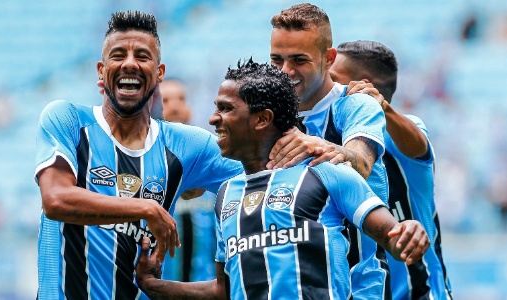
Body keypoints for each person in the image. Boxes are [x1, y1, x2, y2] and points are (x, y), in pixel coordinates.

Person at [134, 59, 430, 300]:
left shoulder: (326, 173)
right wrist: (154, 286)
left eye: (225, 108)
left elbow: (393, 237)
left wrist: (408, 232)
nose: (213, 119)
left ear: (262, 119)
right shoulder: (226, 194)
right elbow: (224, 290)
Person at [34, 11, 245, 299]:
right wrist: (147, 209)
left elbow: (261, 171)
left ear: (159, 73)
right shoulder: (67, 120)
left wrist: (311, 143)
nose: (130, 63)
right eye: (118, 55)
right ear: (101, 70)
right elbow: (56, 199)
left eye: (142, 56)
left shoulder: (187, 146)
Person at [266, 3, 391, 299]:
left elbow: (361, 162)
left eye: (299, 60)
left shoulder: (356, 105)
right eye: (276, 60)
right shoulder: (266, 118)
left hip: (356, 289)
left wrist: (321, 145)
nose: (285, 72)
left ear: (328, 58)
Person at [330, 40, 453, 299]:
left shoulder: (399, 134)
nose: (327, 87)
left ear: (364, 84)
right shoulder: (335, 142)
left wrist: (380, 107)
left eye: (333, 78)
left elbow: (418, 144)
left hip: (422, 293)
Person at [158, 78, 217, 282]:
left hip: (206, 288)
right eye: (165, 100)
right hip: (157, 288)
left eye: (180, 99)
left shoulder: (211, 166)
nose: (174, 106)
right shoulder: (140, 166)